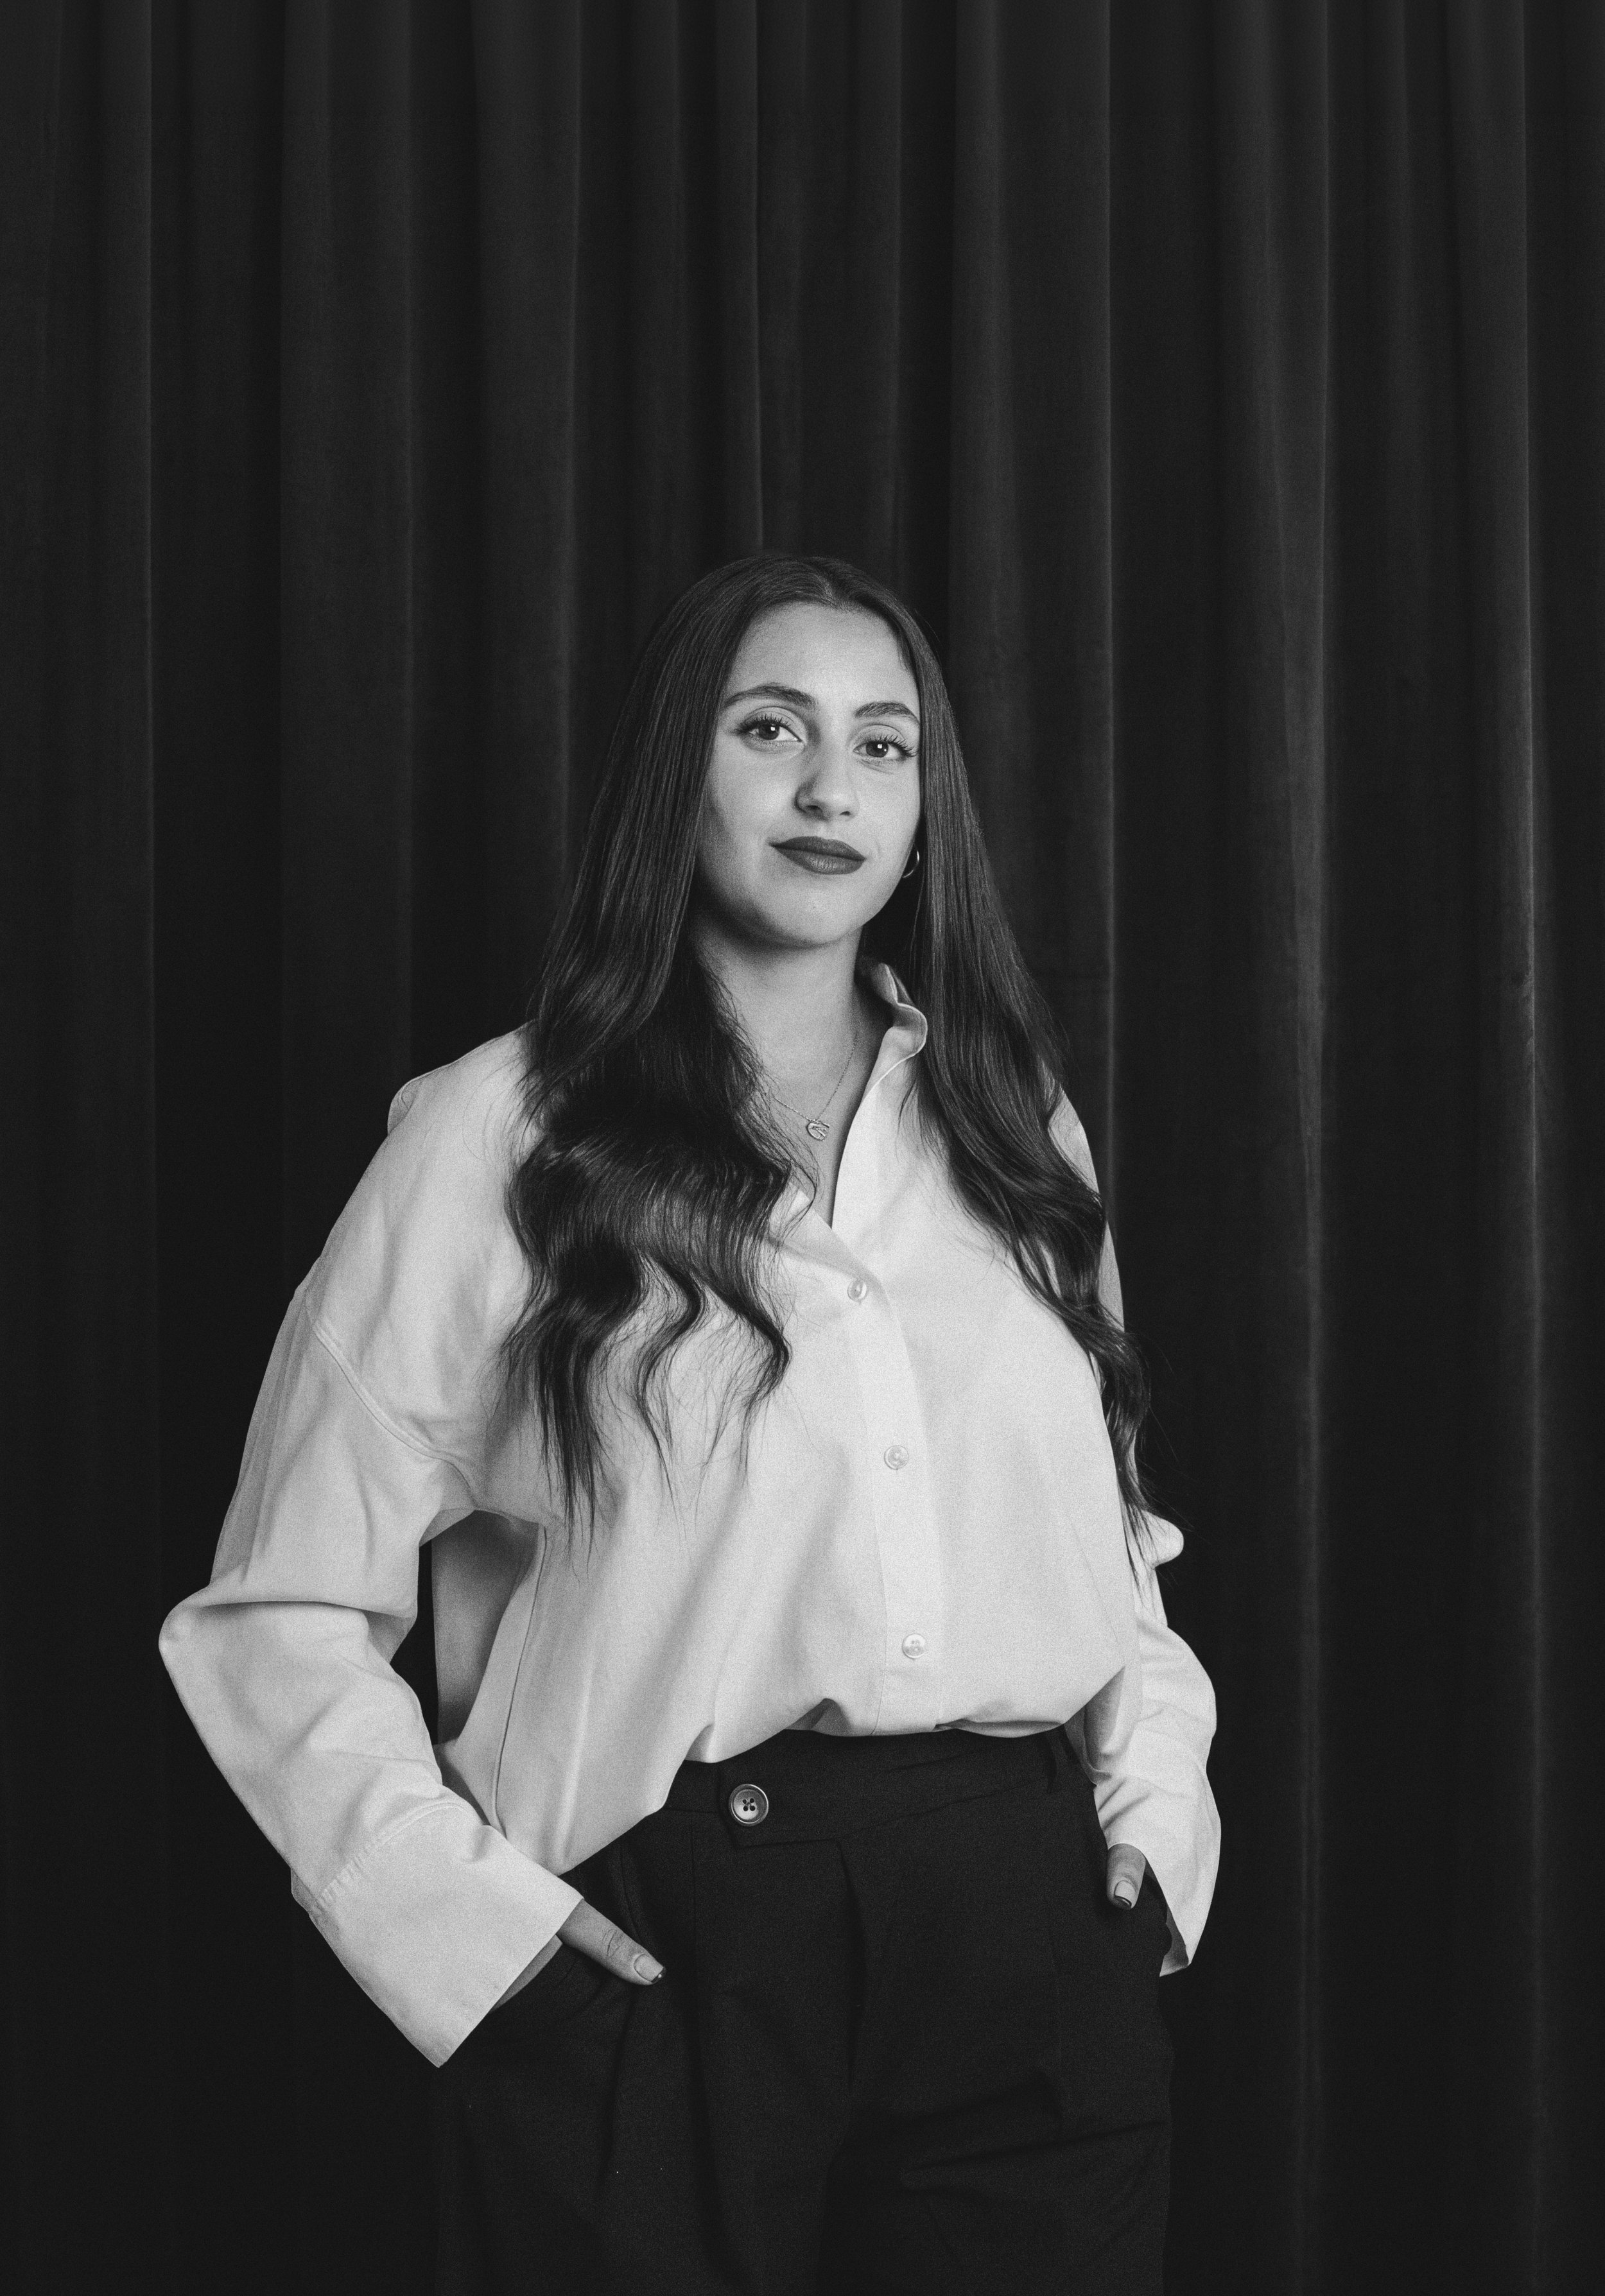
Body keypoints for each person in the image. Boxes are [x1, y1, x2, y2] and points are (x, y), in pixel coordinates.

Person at [160, 552, 1220, 2294]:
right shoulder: (500, 1136)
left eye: (882, 745)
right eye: (771, 729)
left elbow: (1103, 1538)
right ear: (679, 774)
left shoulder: (1011, 1121)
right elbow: (277, 1609)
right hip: (672, 1953)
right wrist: (470, 1937)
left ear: (923, 813)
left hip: (1030, 1934)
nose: (831, 789)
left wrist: (1152, 1821)